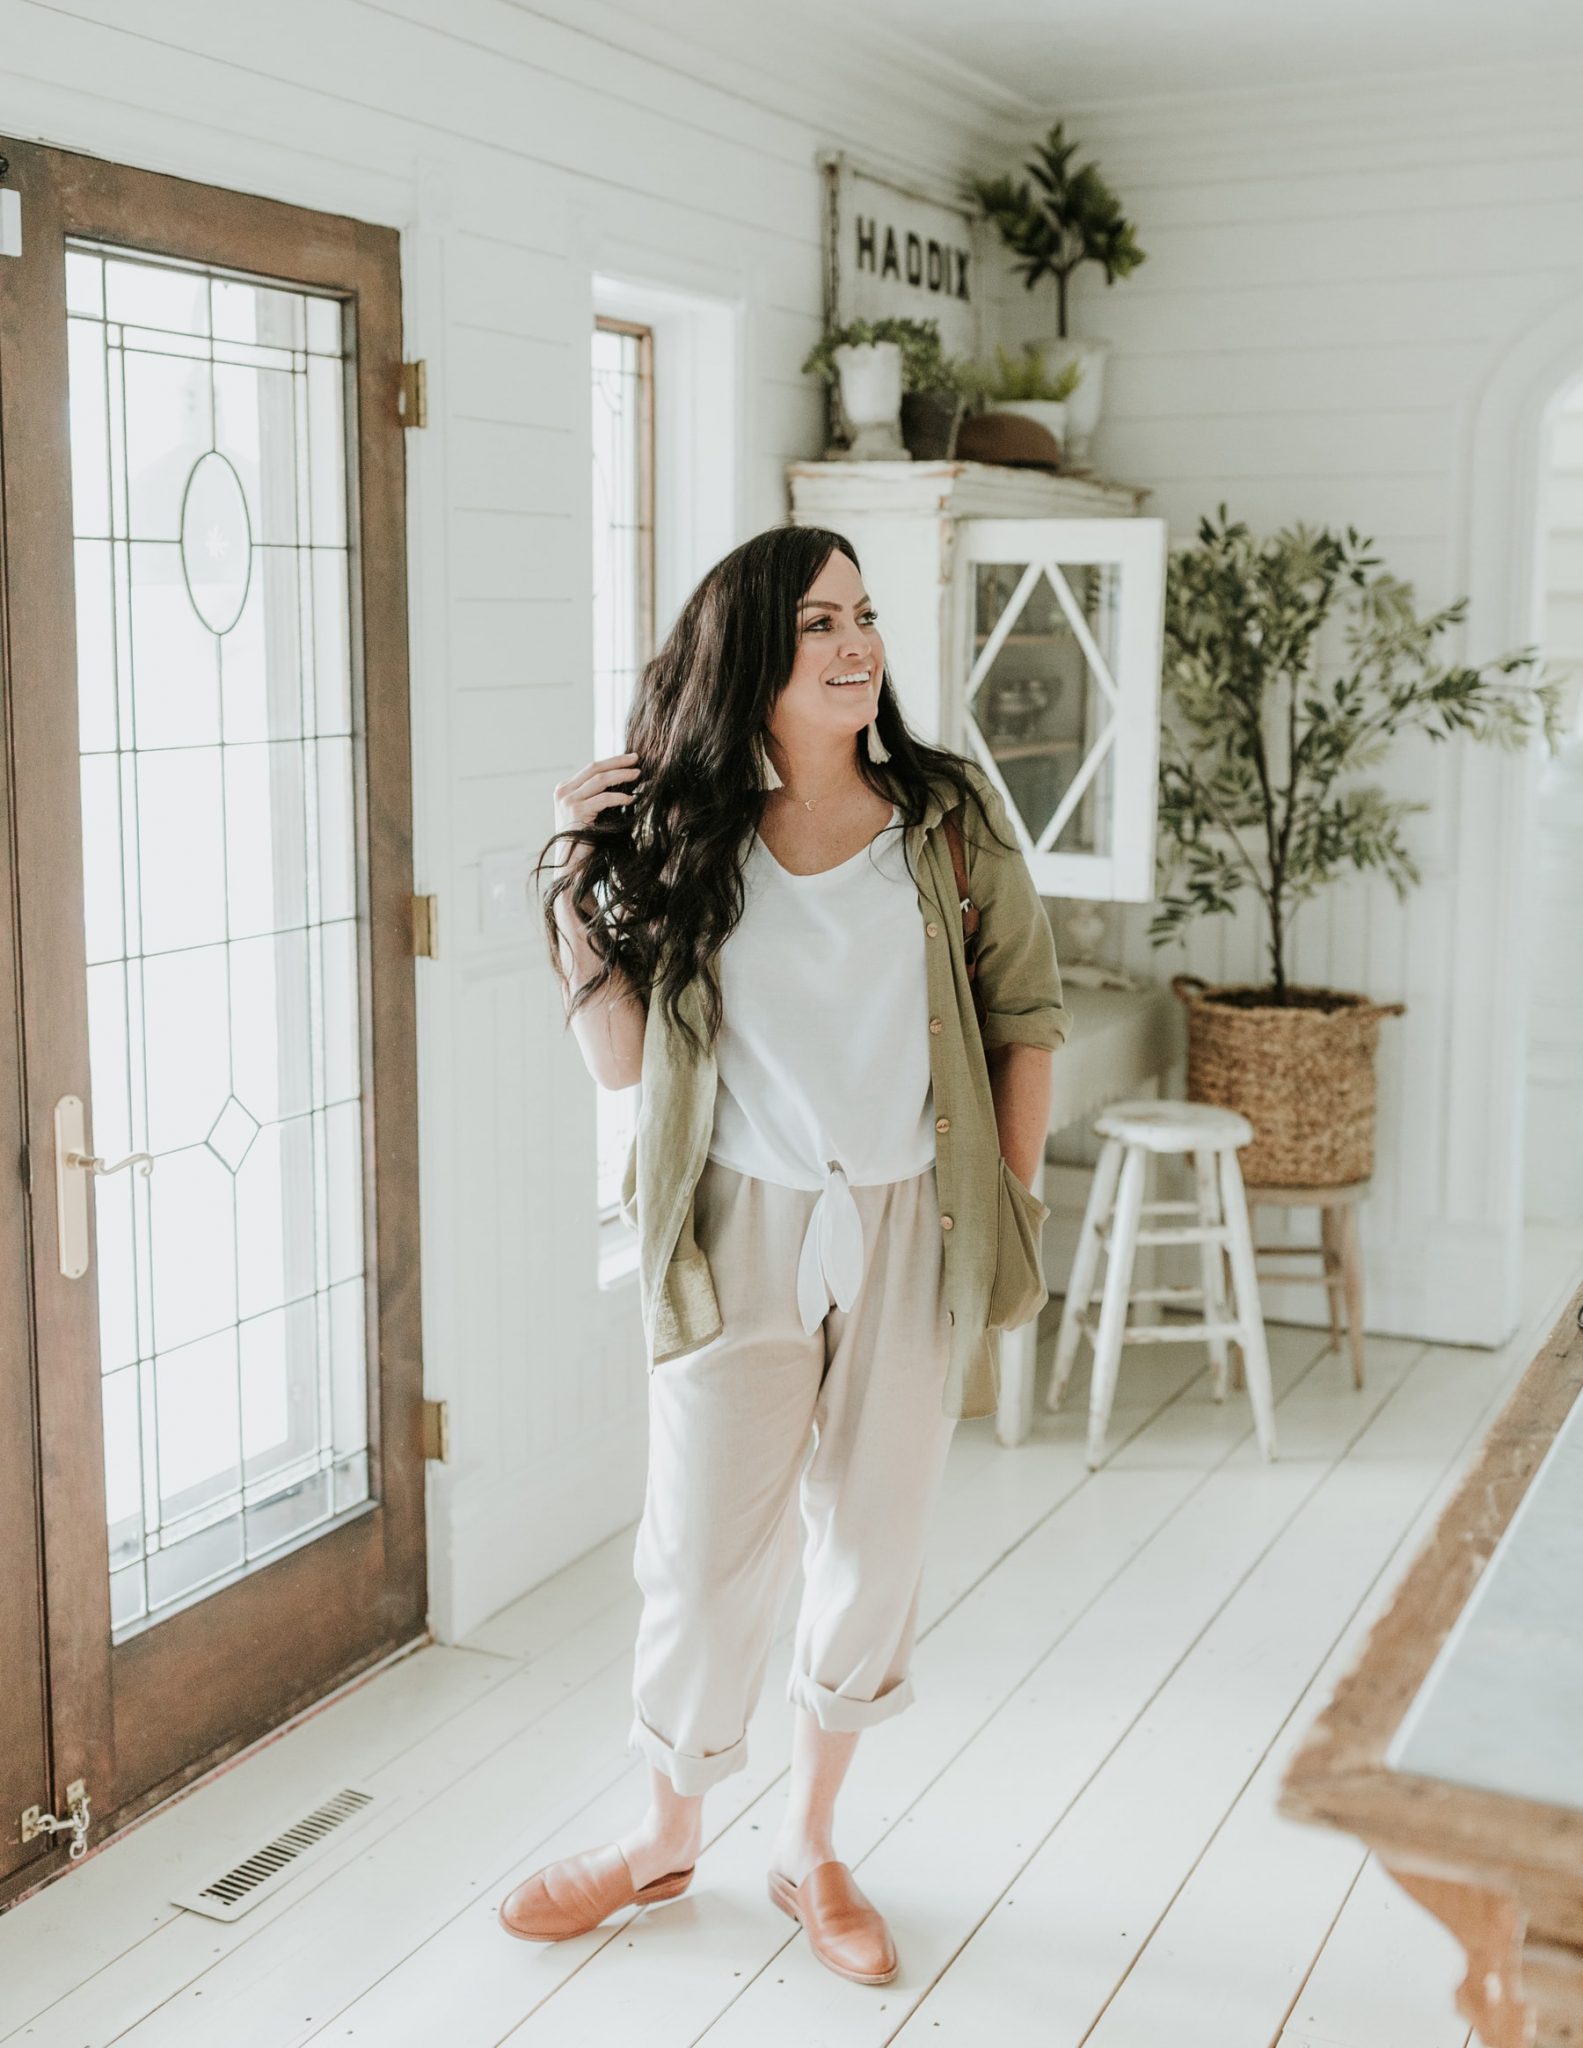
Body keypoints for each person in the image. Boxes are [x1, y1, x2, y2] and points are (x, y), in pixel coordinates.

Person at [500, 524, 1070, 1986]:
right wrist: (574, 892)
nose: (856, 643)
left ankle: (810, 1844)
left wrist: (1008, 1203)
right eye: (819, 622)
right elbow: (624, 1064)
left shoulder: (946, 818)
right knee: (700, 1561)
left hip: (912, 1218)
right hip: (734, 1225)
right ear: (752, 652)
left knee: (872, 1547)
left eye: (863, 615)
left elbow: (1026, 1017)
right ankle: (664, 1835)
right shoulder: (691, 836)